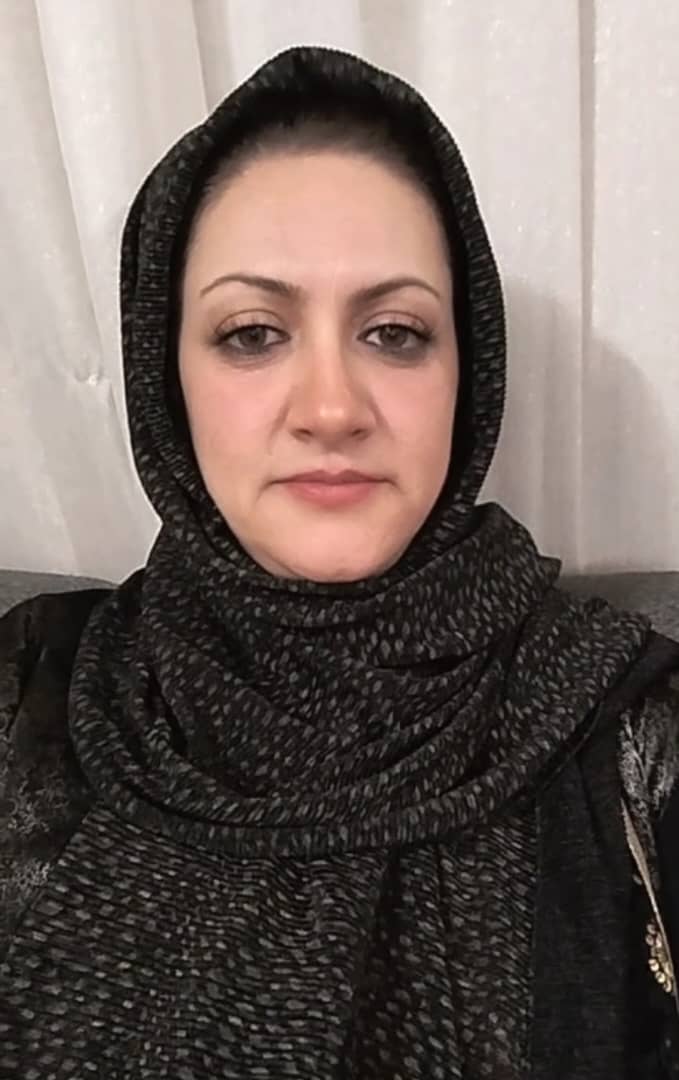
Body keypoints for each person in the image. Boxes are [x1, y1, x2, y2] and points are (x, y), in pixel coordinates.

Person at [1, 43, 678, 1078]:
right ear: (163, 375)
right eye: (251, 333)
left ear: (469, 372)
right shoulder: (30, 685)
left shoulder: (628, 721)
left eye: (395, 333)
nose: (330, 409)